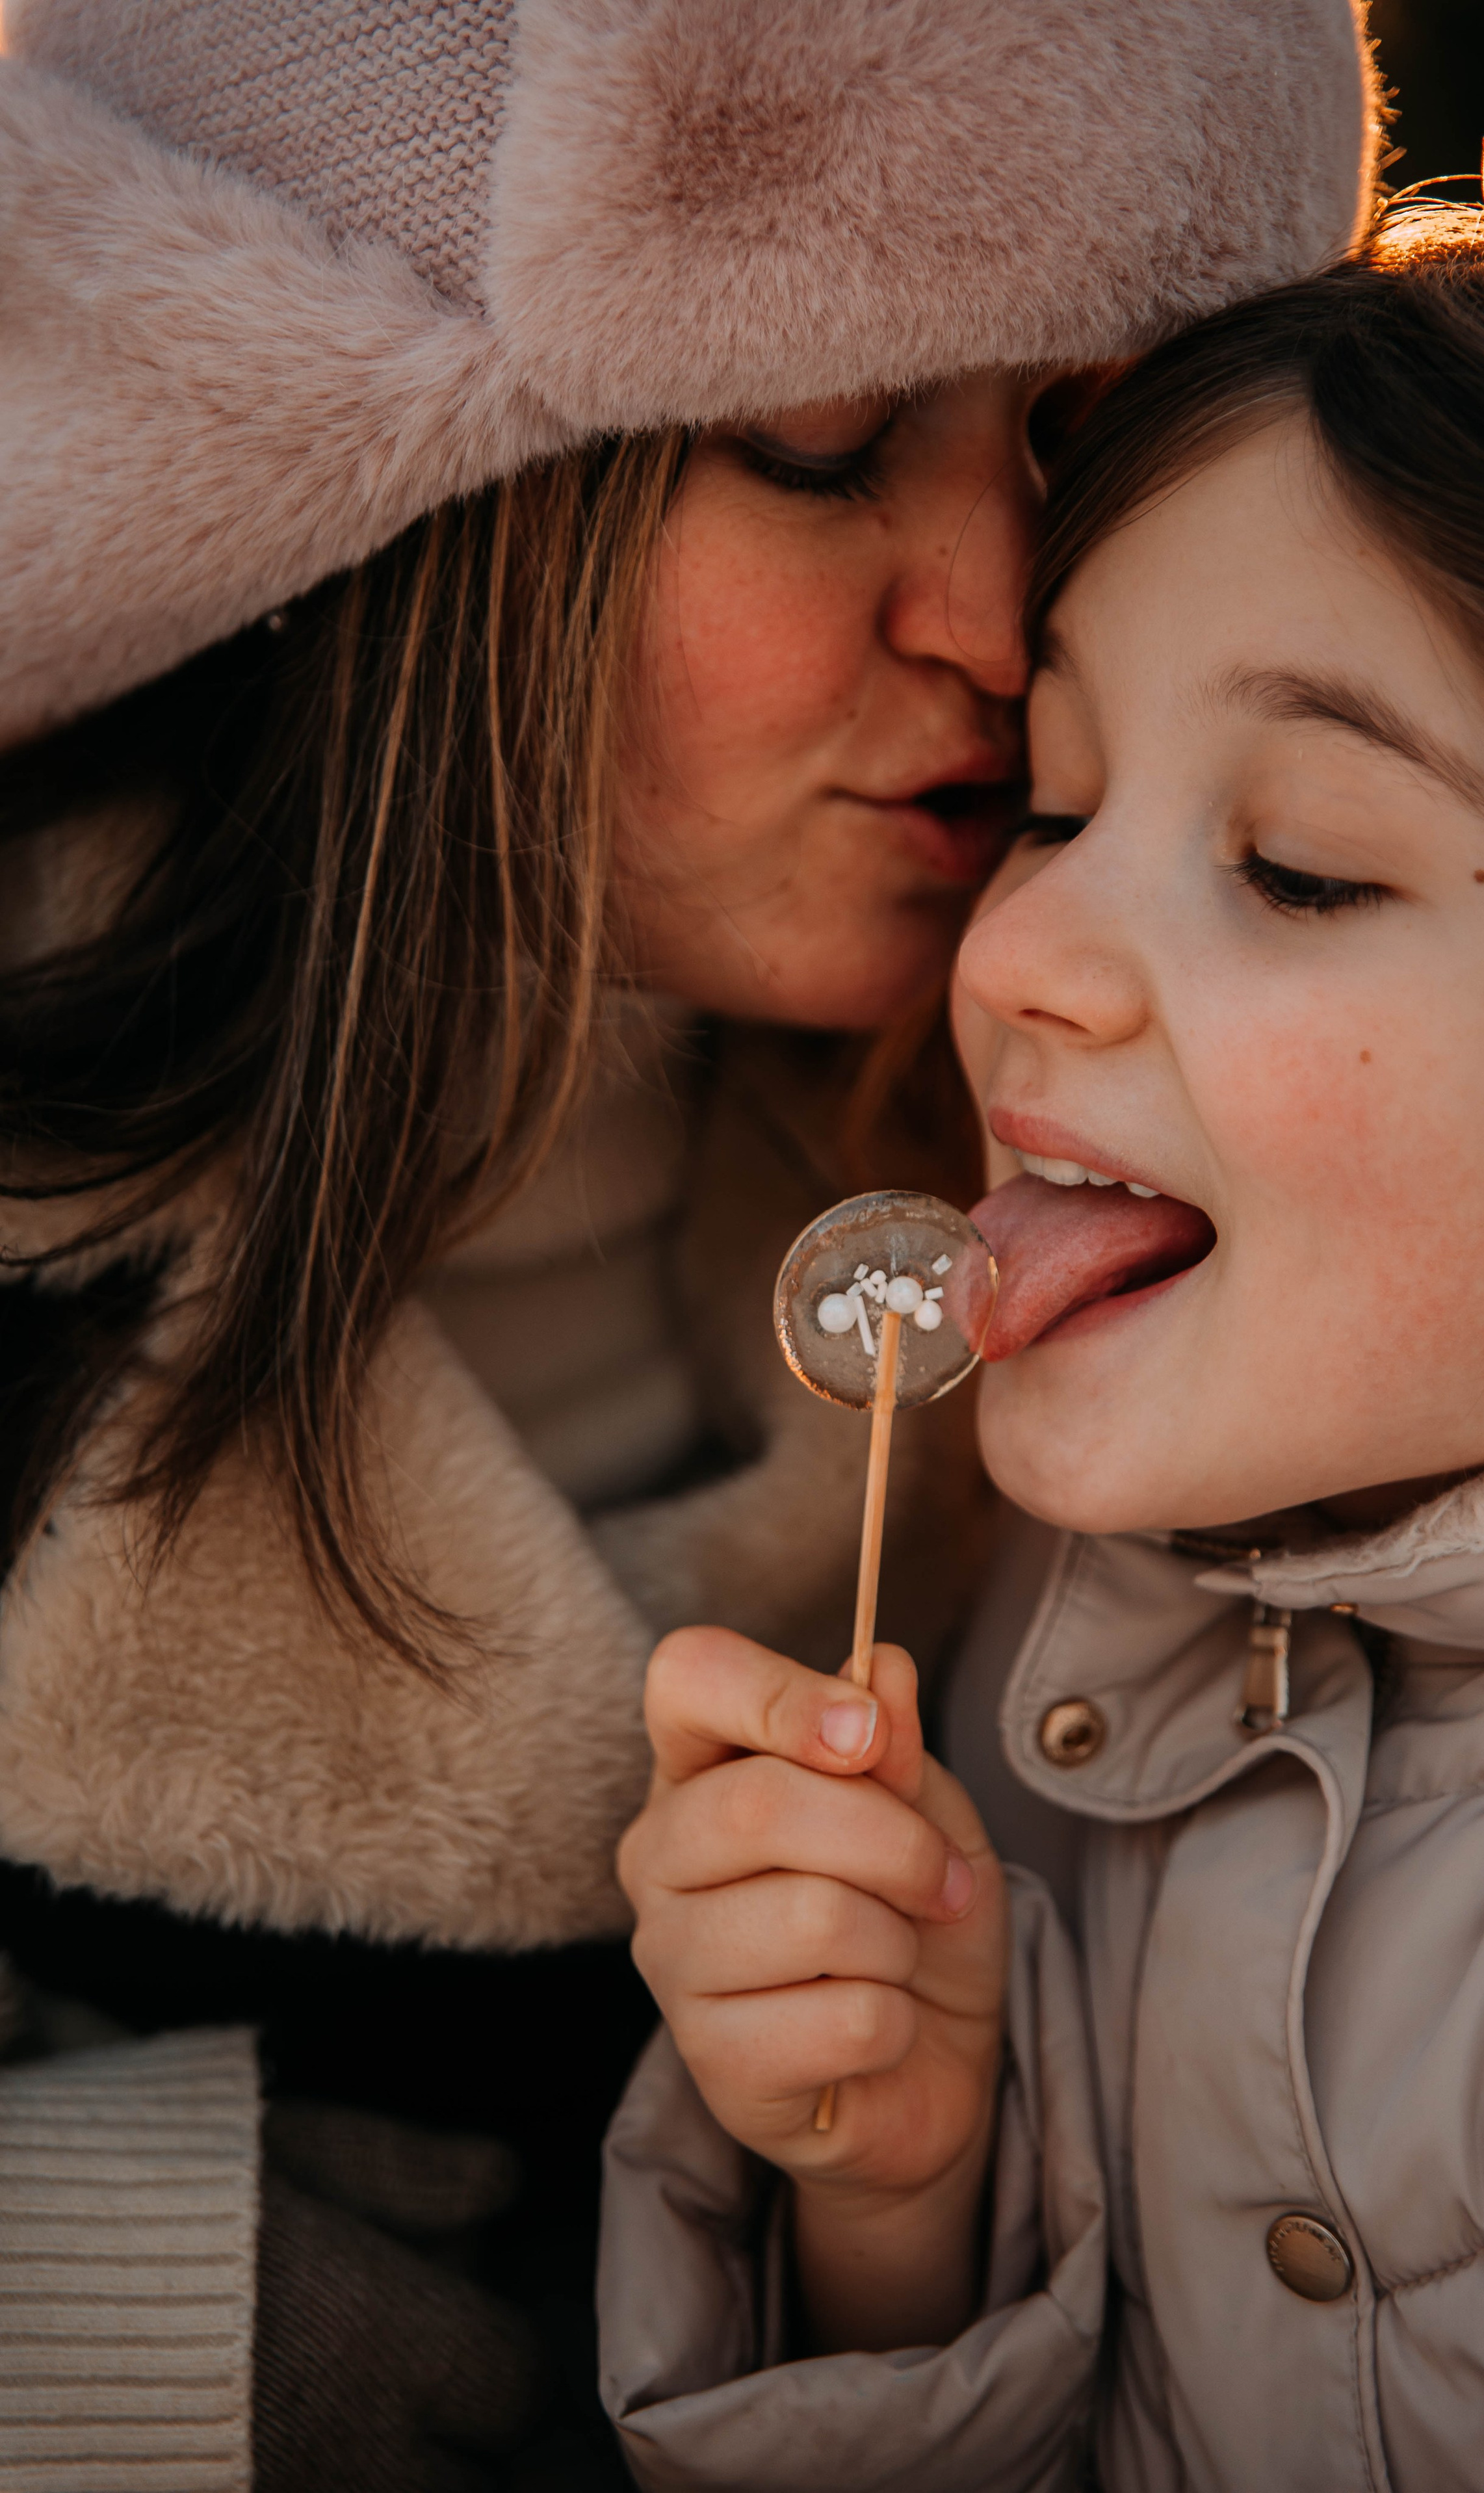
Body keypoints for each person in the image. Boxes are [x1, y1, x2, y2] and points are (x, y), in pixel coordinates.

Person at [0, 0, 1374, 2483]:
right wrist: (171, 2305)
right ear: (360, 473)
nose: (1001, 615)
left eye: (1078, 430)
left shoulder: (1182, 1226)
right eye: (826, 439)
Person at [605, 195, 1484, 2490]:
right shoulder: (1041, 1676)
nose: (1018, 953)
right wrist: (899, 2197)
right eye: (1058, 806)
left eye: (1299, 863)